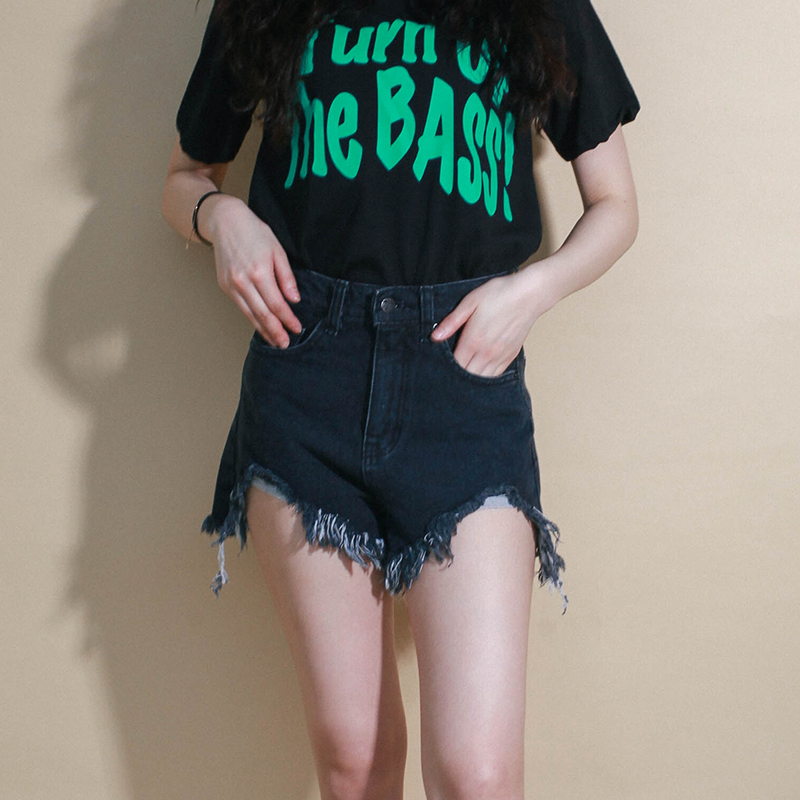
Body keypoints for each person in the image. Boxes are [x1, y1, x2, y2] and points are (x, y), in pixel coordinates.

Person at [161, 0, 639, 797]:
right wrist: (222, 216)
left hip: (465, 384)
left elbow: (616, 206)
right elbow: (183, 179)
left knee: (478, 776)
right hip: (308, 372)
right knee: (354, 759)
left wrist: (530, 292)